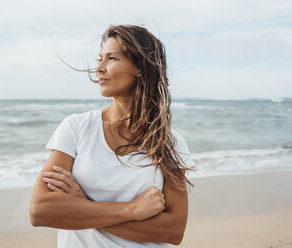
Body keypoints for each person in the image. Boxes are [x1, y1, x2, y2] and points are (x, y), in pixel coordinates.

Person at [29, 24, 195, 248]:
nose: (99, 68)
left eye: (112, 58)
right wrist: (132, 210)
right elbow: (41, 210)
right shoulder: (77, 128)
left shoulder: (170, 143)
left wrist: (82, 206)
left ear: (140, 67)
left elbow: (173, 230)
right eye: (100, 58)